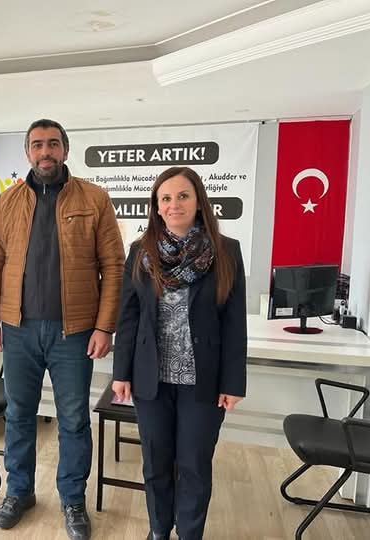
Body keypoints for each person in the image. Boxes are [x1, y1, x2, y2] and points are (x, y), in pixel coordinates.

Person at [0, 119, 124, 540]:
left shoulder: (94, 199)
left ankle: (73, 499)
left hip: (74, 332)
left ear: (65, 149)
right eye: (37, 145)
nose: (45, 152)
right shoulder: (8, 201)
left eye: (53, 144)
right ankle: (19, 492)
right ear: (28, 152)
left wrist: (105, 326)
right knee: (18, 414)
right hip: (18, 329)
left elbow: (113, 266)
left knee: (74, 419)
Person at [112, 166, 247, 540]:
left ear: (199, 201)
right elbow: (128, 316)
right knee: (155, 463)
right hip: (150, 379)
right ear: (156, 207)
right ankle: (159, 529)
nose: (175, 204)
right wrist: (120, 373)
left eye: (183, 196)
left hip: (202, 381)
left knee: (194, 465)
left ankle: (189, 533)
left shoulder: (225, 251)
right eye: (166, 198)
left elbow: (235, 323)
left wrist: (233, 382)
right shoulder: (140, 252)